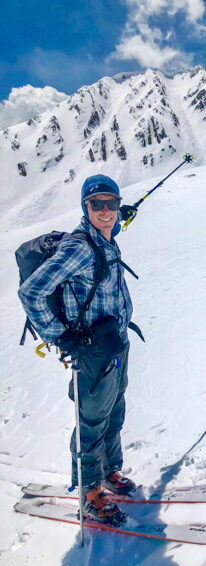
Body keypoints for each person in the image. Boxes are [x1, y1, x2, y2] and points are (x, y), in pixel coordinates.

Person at [18, 174, 139, 524]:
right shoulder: (79, 248)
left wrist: (117, 220)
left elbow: (109, 229)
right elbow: (31, 292)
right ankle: (89, 495)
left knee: (115, 411)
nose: (105, 210)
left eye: (111, 204)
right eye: (96, 204)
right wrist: (60, 336)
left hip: (116, 343)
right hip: (92, 353)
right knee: (91, 422)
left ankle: (109, 472)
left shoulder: (105, 237)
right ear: (85, 207)